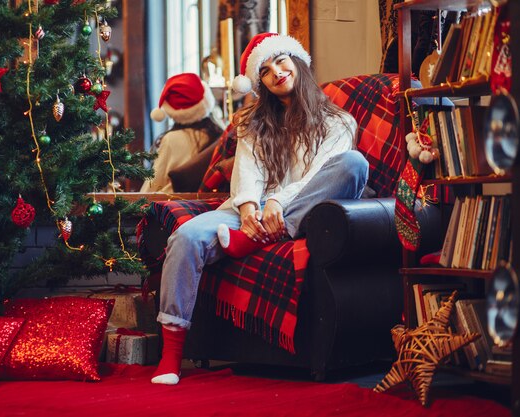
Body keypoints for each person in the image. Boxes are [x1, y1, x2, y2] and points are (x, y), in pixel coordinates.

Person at [151, 32, 369, 385]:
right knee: (185, 237)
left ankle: (261, 237)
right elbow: (247, 173)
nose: (277, 72)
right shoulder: (251, 122)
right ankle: (171, 355)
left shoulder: (338, 122)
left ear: (296, 61)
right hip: (247, 211)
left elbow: (318, 177)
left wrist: (279, 206)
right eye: (265, 71)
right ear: (261, 83)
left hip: (306, 208)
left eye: (281, 60)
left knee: (354, 165)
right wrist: (251, 209)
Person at [141, 73, 223, 193]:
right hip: (212, 204)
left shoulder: (171, 139)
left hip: (175, 205)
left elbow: (153, 184)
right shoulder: (220, 134)